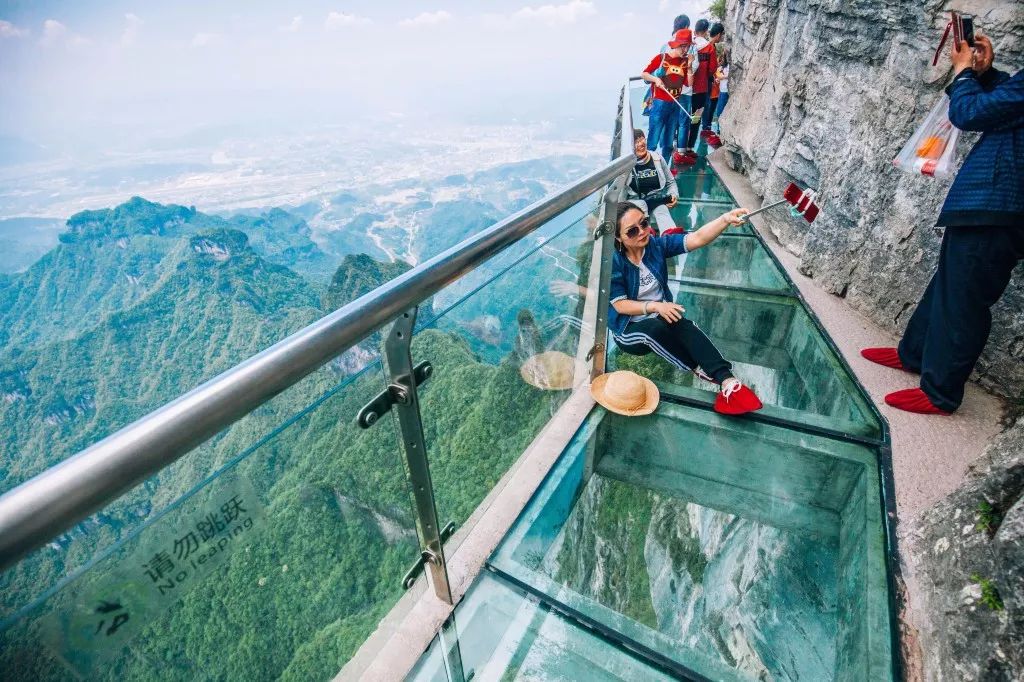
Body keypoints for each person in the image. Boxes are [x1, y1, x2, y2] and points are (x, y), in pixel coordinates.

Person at [861, 34, 1024, 415]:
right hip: (991, 202)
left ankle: (941, 391)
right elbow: (1006, 106)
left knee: (965, 298)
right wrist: (986, 73)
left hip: (1001, 205)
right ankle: (915, 353)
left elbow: (969, 113)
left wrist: (964, 72)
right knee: (950, 284)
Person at [609, 202, 763, 415]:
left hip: (660, 315)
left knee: (684, 325)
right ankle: (698, 368)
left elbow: (697, 238)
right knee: (653, 329)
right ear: (618, 238)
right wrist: (655, 305)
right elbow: (619, 304)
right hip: (628, 331)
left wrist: (725, 219)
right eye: (632, 231)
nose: (643, 232)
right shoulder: (614, 262)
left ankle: (727, 381)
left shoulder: (654, 246)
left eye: (644, 223)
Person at [642, 32, 692, 163]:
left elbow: (688, 83)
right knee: (653, 140)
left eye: (688, 47)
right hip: (659, 103)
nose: (685, 50)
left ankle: (664, 169)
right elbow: (644, 74)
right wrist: (655, 79)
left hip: (675, 104)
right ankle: (649, 169)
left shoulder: (685, 62)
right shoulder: (661, 58)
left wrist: (690, 66)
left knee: (668, 143)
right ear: (676, 45)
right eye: (683, 46)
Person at [626, 129, 681, 234]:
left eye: (642, 139)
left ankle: (671, 236)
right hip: (635, 204)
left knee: (661, 209)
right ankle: (647, 234)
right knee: (641, 205)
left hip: (656, 201)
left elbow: (671, 182)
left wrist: (673, 195)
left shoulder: (657, 158)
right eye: (636, 142)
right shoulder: (626, 166)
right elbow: (619, 197)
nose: (641, 143)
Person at [699, 23, 726, 141]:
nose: (723, 37)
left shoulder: (712, 46)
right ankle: (706, 129)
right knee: (707, 106)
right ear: (719, 34)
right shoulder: (708, 46)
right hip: (708, 81)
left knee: (710, 105)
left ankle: (707, 128)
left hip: (711, 81)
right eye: (722, 34)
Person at [712, 49, 730, 134]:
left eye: (723, 57)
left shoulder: (730, 67)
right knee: (719, 111)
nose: (721, 60)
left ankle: (723, 129)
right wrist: (718, 79)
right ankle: (719, 129)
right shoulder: (720, 68)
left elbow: (730, 75)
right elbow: (718, 77)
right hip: (722, 91)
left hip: (727, 91)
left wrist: (722, 77)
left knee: (723, 111)